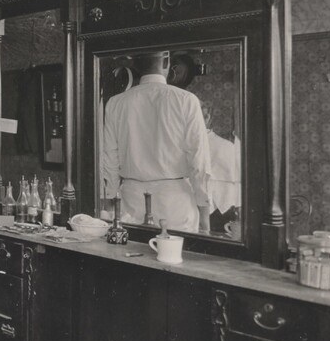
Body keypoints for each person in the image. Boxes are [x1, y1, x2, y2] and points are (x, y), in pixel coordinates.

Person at [99, 51, 211, 233]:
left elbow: (109, 160)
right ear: (167, 61)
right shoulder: (186, 101)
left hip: (131, 202)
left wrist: (111, 204)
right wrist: (205, 218)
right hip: (175, 206)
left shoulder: (115, 103)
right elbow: (199, 162)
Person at [200, 100, 242, 235]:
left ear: (207, 118)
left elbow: (237, 186)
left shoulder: (227, 147)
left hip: (221, 213)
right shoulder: (182, 145)